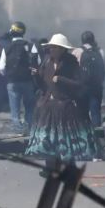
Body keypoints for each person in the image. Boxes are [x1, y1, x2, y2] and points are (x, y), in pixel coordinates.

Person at [25, 34, 97, 162]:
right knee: (49, 139)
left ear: (62, 49)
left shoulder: (71, 62)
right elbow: (42, 85)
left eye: (55, 47)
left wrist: (61, 79)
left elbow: (79, 83)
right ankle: (50, 164)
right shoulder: (47, 62)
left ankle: (63, 162)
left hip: (66, 105)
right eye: (51, 47)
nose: (52, 50)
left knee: (64, 139)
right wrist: (35, 76)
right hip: (48, 105)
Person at [0, 21, 36, 131]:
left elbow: (1, 68)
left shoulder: (6, 48)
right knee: (29, 107)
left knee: (15, 109)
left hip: (12, 82)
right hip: (28, 81)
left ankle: (17, 130)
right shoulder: (30, 46)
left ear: (12, 32)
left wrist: (9, 76)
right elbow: (37, 61)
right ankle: (29, 127)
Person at [74, 31, 105, 126]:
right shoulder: (100, 51)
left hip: (81, 87)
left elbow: (73, 69)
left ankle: (84, 136)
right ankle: (98, 136)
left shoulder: (77, 51)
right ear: (93, 39)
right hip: (97, 87)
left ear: (82, 40)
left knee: (82, 113)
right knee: (95, 111)